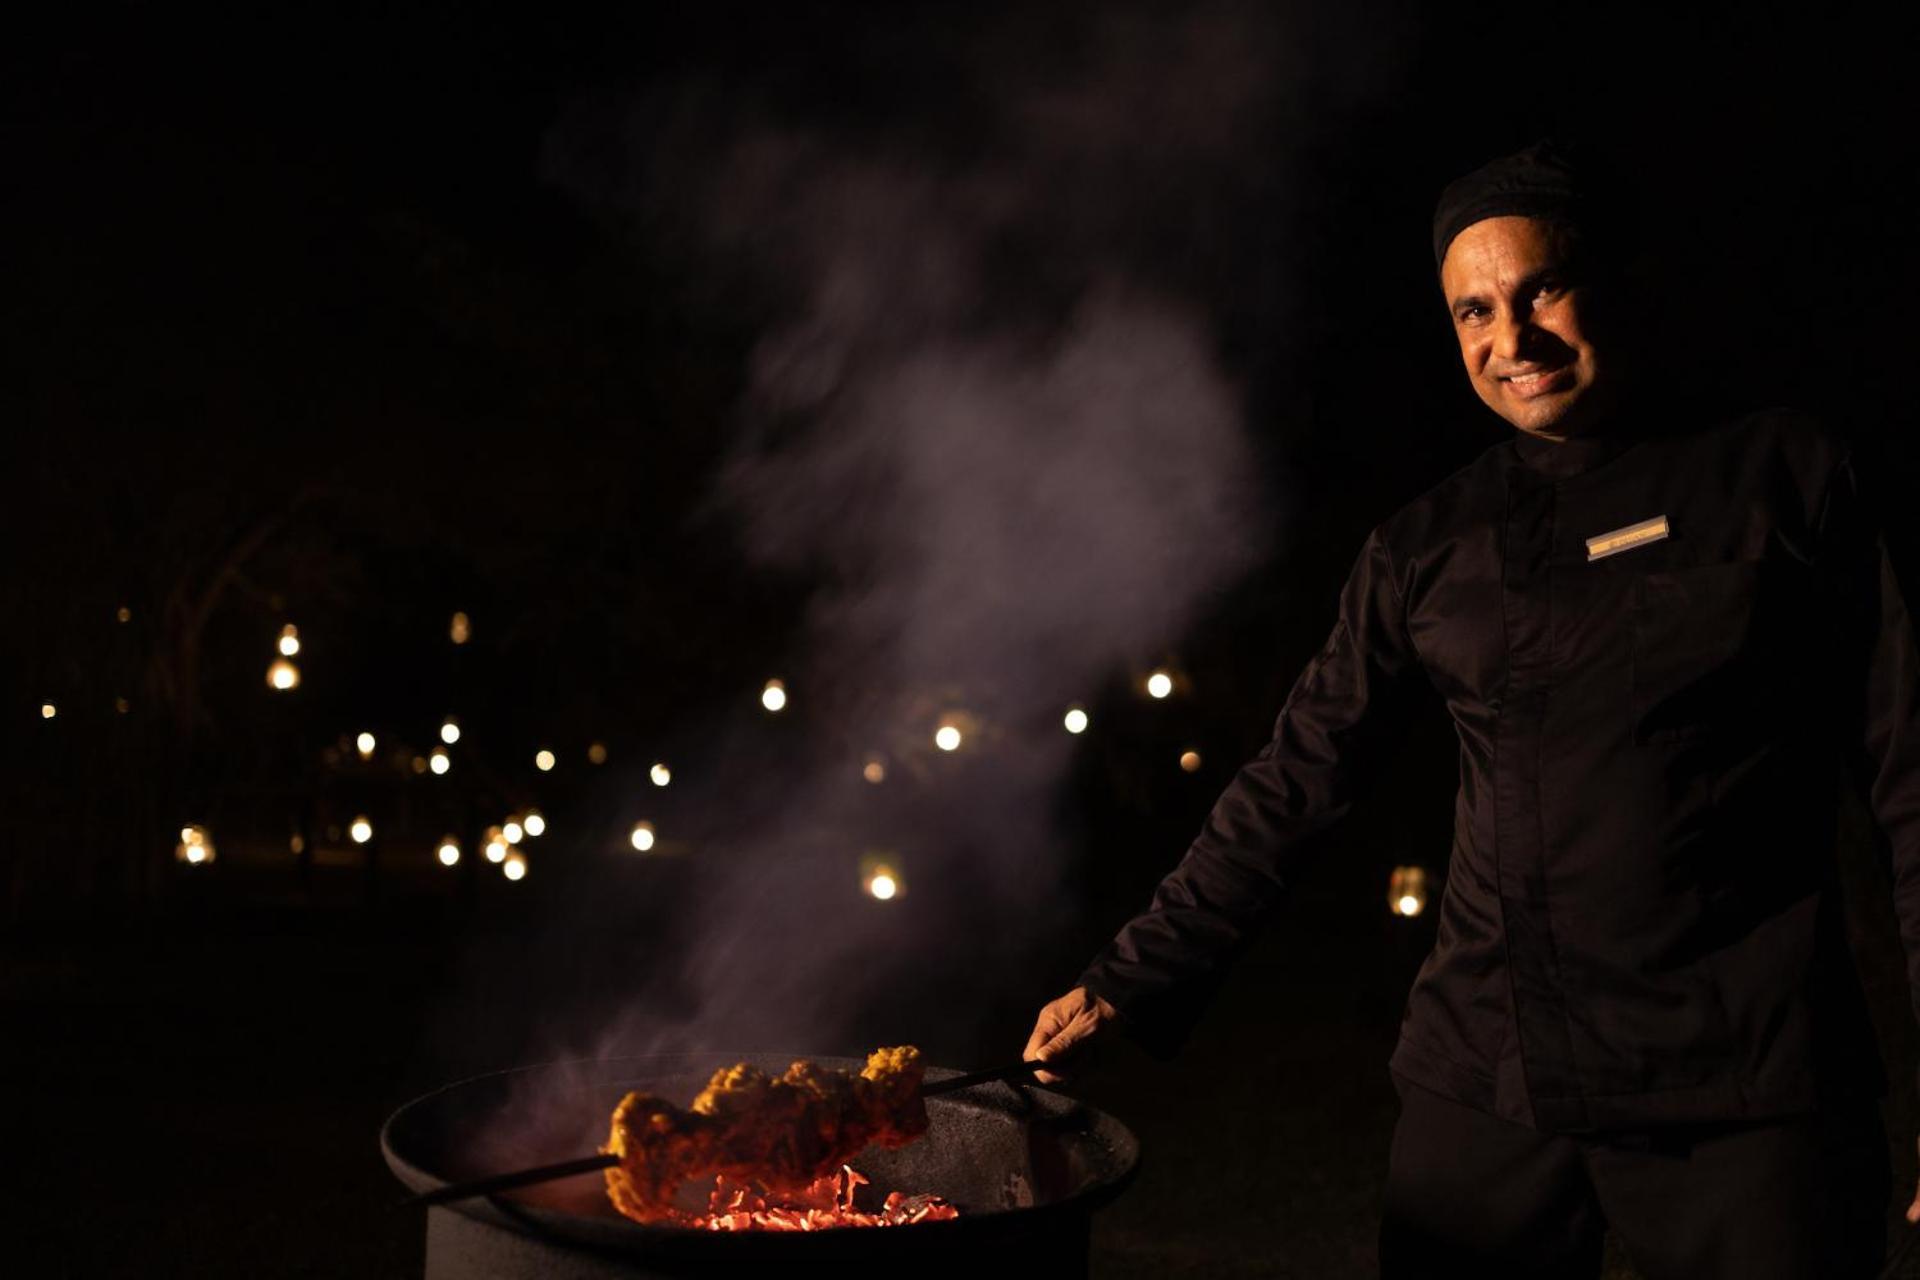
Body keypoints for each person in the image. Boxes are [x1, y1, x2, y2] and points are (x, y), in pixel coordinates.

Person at [1023, 139, 1918, 1277]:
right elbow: (1299, 776)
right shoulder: (1427, 545)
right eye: (1474, 311)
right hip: (1490, 1081)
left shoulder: (1785, 475)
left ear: (1613, 279)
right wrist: (1130, 976)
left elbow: (1911, 779)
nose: (1512, 339)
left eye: (1541, 288)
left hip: (1743, 1089)